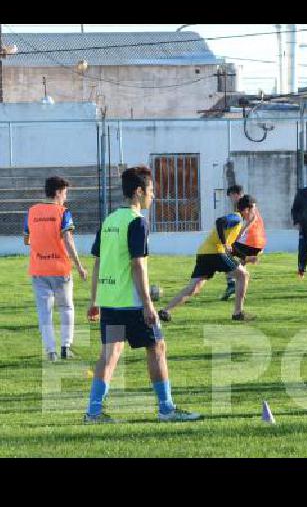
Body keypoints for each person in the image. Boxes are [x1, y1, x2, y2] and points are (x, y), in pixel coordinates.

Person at [84, 166, 200, 423]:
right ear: (138, 192)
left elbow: (97, 263)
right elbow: (138, 264)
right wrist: (148, 305)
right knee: (157, 347)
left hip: (110, 301)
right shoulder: (137, 222)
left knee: (110, 354)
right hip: (132, 303)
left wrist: (94, 300)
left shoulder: (109, 220)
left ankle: (93, 412)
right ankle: (166, 409)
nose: (154, 196)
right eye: (151, 190)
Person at [159, 195, 257, 322]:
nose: (255, 212)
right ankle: (238, 313)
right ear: (246, 210)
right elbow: (220, 221)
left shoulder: (237, 222)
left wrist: (246, 257)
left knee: (194, 287)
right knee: (243, 275)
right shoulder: (236, 217)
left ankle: (165, 311)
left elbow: (230, 248)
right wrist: (223, 243)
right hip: (216, 252)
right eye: (253, 209)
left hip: (204, 253)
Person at [24, 176, 88, 362]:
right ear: (59, 192)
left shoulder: (32, 211)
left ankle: (50, 351)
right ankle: (65, 347)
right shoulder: (63, 212)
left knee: (45, 311)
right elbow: (68, 240)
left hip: (38, 269)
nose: (65, 197)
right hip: (60, 269)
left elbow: (26, 239)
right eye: (65, 193)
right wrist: (79, 266)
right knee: (66, 307)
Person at [220, 185, 266, 301]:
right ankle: (238, 290)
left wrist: (240, 233)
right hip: (257, 242)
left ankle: (231, 284)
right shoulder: (241, 206)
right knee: (240, 265)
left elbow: (253, 218)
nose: (231, 199)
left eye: (231, 196)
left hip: (251, 241)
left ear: (235, 194)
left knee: (225, 253)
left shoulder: (247, 200)